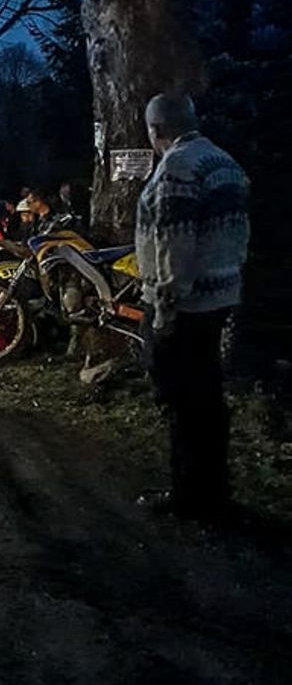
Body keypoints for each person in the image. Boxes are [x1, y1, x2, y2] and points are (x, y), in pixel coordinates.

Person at [135, 93, 250, 519]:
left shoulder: (176, 170)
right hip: (219, 296)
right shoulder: (224, 163)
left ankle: (188, 495)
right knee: (207, 397)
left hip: (184, 304)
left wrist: (165, 308)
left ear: (155, 130)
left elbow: (173, 246)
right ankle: (214, 489)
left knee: (180, 399)